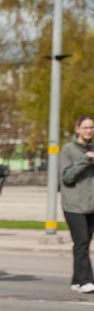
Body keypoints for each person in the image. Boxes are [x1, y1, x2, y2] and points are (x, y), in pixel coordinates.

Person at [61, 114, 94, 294]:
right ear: (78, 129)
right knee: (81, 242)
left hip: (91, 205)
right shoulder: (68, 150)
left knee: (85, 243)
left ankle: (76, 280)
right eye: (85, 127)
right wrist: (85, 159)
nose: (89, 130)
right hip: (74, 205)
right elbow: (67, 177)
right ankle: (86, 280)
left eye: (91, 127)